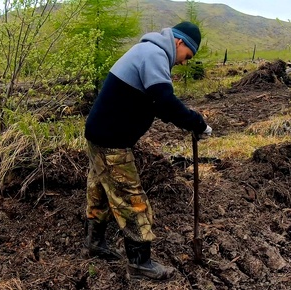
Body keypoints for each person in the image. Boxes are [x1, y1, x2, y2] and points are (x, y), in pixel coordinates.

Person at [83, 21, 212, 281]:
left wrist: (180, 117)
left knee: (99, 190)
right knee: (132, 200)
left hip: (99, 135)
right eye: (188, 56)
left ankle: (95, 242)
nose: (185, 62)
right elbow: (164, 101)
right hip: (111, 141)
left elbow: (153, 102)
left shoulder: (147, 52)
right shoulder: (155, 54)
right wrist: (197, 122)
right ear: (179, 42)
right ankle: (140, 264)